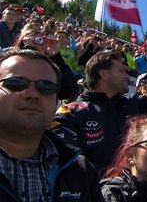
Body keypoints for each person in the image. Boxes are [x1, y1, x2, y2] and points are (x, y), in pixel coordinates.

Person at [0, 49, 101, 201]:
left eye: (46, 87)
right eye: (15, 83)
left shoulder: (81, 170)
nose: (32, 94)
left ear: (56, 101)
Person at [13, 24, 78, 99]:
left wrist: (56, 57)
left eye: (39, 37)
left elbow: (70, 90)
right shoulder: (11, 58)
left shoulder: (48, 64)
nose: (35, 39)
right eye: (30, 35)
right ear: (23, 39)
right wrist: (28, 49)